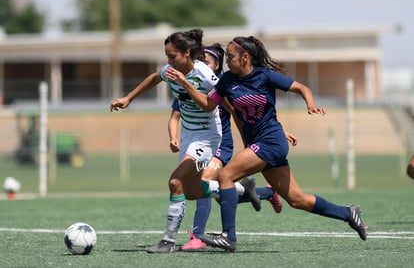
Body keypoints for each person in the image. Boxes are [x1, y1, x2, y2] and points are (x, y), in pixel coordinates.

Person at [170, 35, 368, 252]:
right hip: (259, 144)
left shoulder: (265, 76)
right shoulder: (227, 81)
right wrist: (186, 86)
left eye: (232, 57)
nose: (228, 61)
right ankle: (348, 214)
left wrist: (310, 105)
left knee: (226, 175)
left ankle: (229, 237)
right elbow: (209, 106)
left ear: (245, 57)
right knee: (297, 200)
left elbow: (302, 88)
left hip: (272, 140)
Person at [110, 29, 257, 254]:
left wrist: (249, 136)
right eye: (167, 57)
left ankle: (168, 241)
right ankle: (239, 188)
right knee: (191, 190)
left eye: (172, 56)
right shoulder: (171, 70)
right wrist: (128, 98)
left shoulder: (205, 75)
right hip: (189, 136)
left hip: (207, 137)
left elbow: (221, 104)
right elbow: (153, 78)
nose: (168, 62)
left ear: (187, 53)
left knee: (175, 182)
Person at [168, 43, 295, 250]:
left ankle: (197, 236)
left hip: (220, 146)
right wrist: (173, 136)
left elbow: (243, 114)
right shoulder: (192, 87)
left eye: (206, 61)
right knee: (218, 194)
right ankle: (265, 192)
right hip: (200, 145)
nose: (201, 65)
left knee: (205, 179)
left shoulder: (224, 87)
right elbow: (175, 114)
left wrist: (278, 132)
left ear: (216, 65)